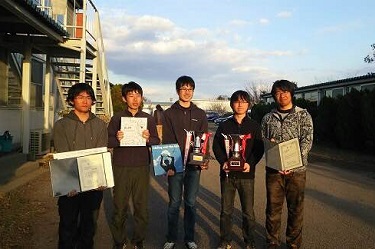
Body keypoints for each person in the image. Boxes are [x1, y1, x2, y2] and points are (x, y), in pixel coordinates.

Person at [53, 83, 108, 249]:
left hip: (93, 186)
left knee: (88, 227)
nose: (85, 101)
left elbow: (100, 154)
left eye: (88, 97)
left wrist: (101, 179)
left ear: (92, 101)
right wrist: (69, 184)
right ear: (71, 100)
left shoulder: (99, 125)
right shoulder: (61, 125)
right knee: (67, 226)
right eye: (80, 97)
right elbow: (63, 156)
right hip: (70, 187)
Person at [261, 80, 313, 249]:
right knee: (273, 209)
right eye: (277, 92)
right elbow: (263, 140)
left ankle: (293, 243)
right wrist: (269, 142)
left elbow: (307, 140)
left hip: (297, 172)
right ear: (274, 95)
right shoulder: (268, 118)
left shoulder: (303, 115)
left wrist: (294, 162)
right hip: (274, 171)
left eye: (285, 92)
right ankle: (272, 241)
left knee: (296, 210)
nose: (281, 95)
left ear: (291, 93)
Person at [108, 81, 160, 249]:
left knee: (141, 206)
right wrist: (117, 138)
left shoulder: (148, 119)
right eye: (131, 95)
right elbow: (108, 141)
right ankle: (119, 240)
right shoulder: (117, 118)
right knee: (120, 206)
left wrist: (147, 139)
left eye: (138, 95)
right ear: (124, 98)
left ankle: (139, 240)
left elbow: (156, 141)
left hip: (141, 167)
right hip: (121, 166)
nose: (135, 99)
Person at [212, 90, 264, 249]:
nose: (240, 104)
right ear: (231, 104)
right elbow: (216, 146)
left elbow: (259, 148)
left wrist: (251, 163)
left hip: (247, 175)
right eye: (236, 101)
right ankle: (225, 240)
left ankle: (249, 241)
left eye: (243, 101)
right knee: (226, 211)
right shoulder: (224, 125)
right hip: (227, 175)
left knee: (248, 211)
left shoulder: (254, 126)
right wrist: (223, 162)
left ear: (248, 104)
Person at [162, 75, 209, 249]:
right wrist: (168, 166)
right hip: (176, 165)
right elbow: (166, 140)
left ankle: (190, 238)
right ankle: (171, 237)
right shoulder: (169, 114)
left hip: (194, 166)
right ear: (177, 91)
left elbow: (204, 140)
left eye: (190, 89)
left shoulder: (200, 113)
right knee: (174, 202)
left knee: (190, 202)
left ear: (193, 91)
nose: (187, 92)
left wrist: (204, 160)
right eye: (184, 89)